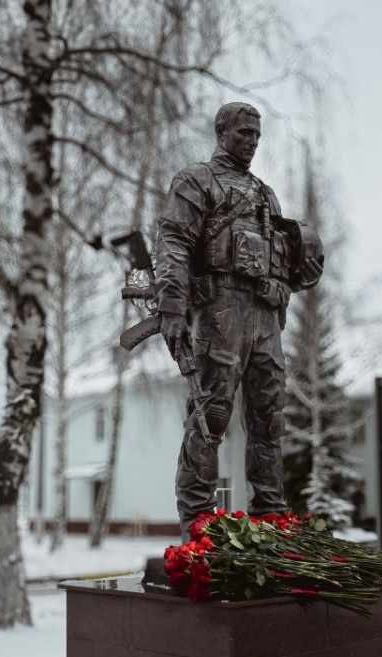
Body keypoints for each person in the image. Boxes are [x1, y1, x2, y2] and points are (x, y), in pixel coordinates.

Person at [154, 101, 323, 539]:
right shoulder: (197, 180)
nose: (251, 141)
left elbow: (286, 259)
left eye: (257, 135)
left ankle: (271, 516)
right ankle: (198, 523)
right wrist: (173, 306)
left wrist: (287, 283)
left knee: (269, 420)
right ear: (221, 130)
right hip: (219, 312)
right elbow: (173, 240)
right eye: (244, 132)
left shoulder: (266, 195)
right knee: (209, 418)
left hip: (265, 316)